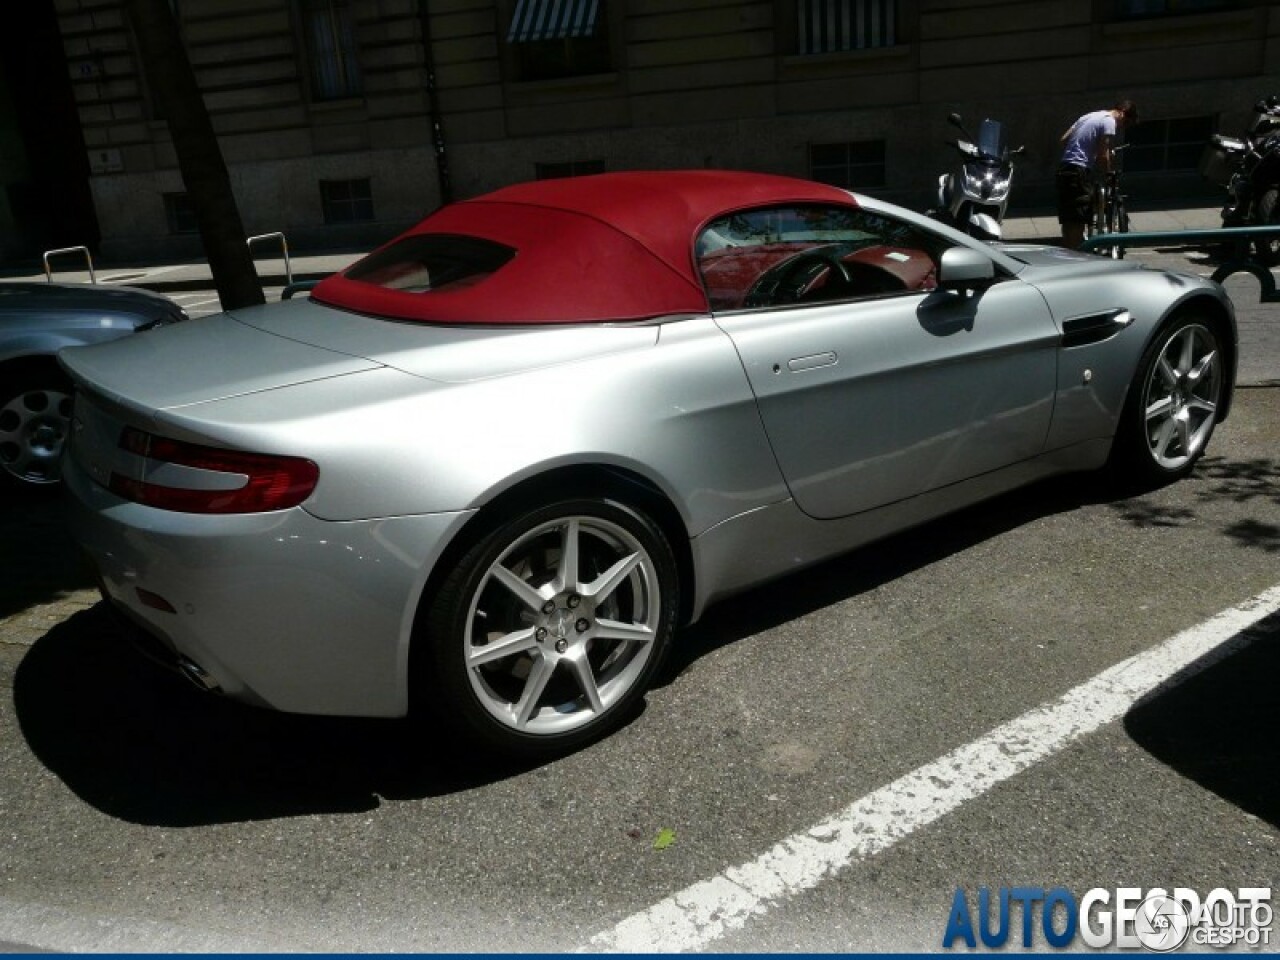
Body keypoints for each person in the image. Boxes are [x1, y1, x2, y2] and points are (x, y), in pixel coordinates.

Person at [1056, 100, 1138, 249]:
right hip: (1079, 170)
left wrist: (1087, 150)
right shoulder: (1109, 121)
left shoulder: (1088, 116)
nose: (1121, 127)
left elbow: (1063, 140)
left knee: (1068, 217)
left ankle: (1068, 252)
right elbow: (1103, 154)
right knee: (1079, 217)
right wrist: (1108, 173)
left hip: (1064, 168)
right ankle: (1077, 255)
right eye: (1125, 123)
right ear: (1122, 113)